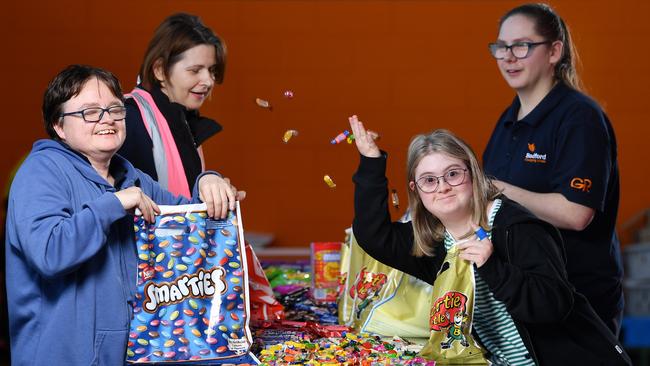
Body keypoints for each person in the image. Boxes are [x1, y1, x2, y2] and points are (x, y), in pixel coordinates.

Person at [4, 65, 243, 366]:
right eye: (90, 112)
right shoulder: (41, 173)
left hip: (130, 354)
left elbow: (188, 222)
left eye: (115, 109)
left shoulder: (132, 178)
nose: (107, 120)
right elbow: (50, 252)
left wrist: (208, 181)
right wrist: (114, 205)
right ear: (59, 125)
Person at [349, 115, 630, 365]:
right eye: (429, 180)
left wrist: (492, 266)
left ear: (472, 174)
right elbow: (374, 236)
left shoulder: (515, 227)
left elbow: (554, 304)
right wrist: (372, 162)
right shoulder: (437, 242)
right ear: (417, 190)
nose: (443, 186)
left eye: (453, 174)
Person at [482, 3, 623, 334]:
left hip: (576, 300)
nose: (508, 57)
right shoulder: (508, 119)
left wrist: (495, 188)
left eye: (522, 46)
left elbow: (576, 213)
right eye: (501, 47)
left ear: (554, 51)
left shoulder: (579, 117)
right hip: (523, 295)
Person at [118, 13, 225, 197]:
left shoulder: (183, 119)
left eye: (212, 71)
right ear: (160, 70)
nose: (208, 81)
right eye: (195, 70)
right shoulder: (130, 119)